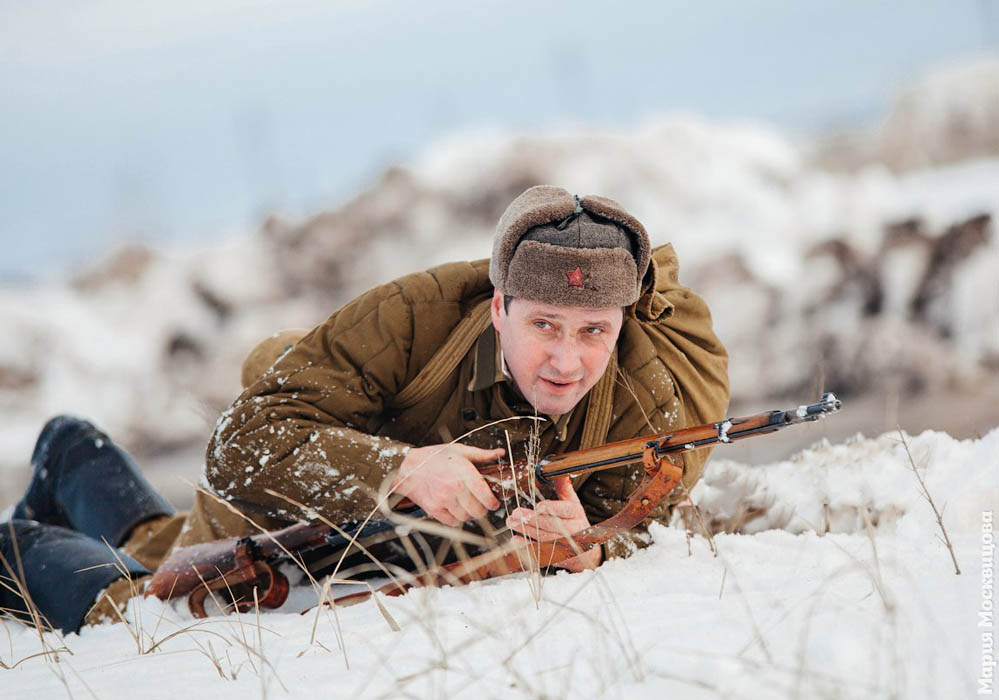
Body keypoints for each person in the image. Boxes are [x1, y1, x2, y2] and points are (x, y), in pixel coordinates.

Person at [1, 185, 728, 634]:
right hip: (218, 560)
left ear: (622, 323)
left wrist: (593, 542)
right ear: (499, 307)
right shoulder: (418, 316)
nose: (567, 362)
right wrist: (401, 468)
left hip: (252, 576)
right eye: (543, 325)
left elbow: (656, 525)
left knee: (54, 496)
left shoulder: (650, 391)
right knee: (64, 452)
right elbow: (237, 446)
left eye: (593, 331)